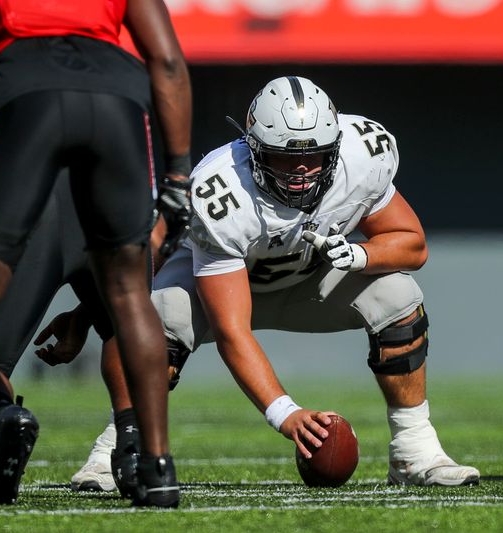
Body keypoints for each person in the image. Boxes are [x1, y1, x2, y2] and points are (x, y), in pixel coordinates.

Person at [75, 76, 480, 488]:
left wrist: (362, 254)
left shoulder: (364, 154)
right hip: (225, 293)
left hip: (309, 282)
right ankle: (120, 446)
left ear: (337, 146)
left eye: (315, 156)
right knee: (162, 313)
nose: (301, 170)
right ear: (253, 151)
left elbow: (412, 245)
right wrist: (285, 413)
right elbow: (233, 332)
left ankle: (415, 450)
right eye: (284, 157)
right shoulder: (223, 191)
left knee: (397, 294)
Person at [0, 0, 190, 513]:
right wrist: (179, 173)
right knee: (129, 298)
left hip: (26, 101)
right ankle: (156, 468)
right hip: (117, 105)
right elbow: (166, 61)